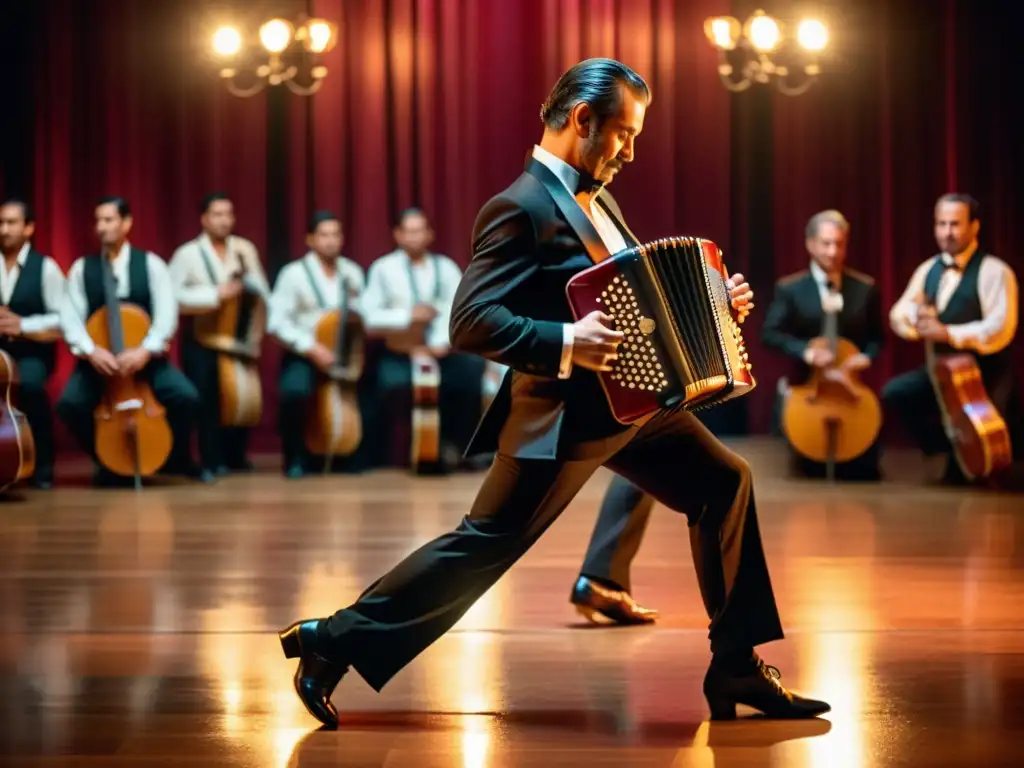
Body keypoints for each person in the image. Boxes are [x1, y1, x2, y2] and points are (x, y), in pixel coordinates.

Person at [276, 58, 830, 728]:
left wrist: (718, 304)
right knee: (481, 546)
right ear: (582, 120)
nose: (632, 150)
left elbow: (639, 299)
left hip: (630, 406)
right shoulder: (518, 207)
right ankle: (328, 641)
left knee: (726, 482)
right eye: (624, 133)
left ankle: (737, 665)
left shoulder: (600, 197)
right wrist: (567, 342)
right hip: (560, 419)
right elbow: (471, 321)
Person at [56, 196, 209, 486]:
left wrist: (146, 350)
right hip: (101, 361)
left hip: (145, 360)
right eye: (98, 221)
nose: (101, 227)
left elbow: (166, 313)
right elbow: (70, 317)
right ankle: (107, 460)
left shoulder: (151, 264)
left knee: (186, 397)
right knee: (70, 404)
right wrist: (91, 351)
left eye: (109, 220)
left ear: (127, 223)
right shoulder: (81, 268)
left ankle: (176, 458)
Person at [883, 193, 1020, 483]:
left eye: (955, 224)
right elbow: (899, 312)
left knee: (981, 467)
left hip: (983, 374)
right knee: (897, 394)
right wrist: (916, 323)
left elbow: (1000, 328)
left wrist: (947, 333)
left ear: (975, 227)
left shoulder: (995, 271)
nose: (947, 232)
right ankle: (943, 448)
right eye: (941, 224)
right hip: (942, 372)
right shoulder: (929, 268)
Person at [762, 209, 885, 480]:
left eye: (839, 244)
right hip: (806, 383)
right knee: (806, 468)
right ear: (810, 244)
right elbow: (769, 334)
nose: (833, 252)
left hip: (850, 384)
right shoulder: (790, 289)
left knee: (865, 469)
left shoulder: (865, 288)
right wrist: (805, 351)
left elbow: (878, 338)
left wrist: (865, 356)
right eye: (826, 244)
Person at [360, 208, 485, 470]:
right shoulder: (384, 269)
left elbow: (458, 311)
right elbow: (368, 317)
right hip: (400, 352)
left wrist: (439, 344)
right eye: (409, 231)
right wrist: (408, 316)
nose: (415, 237)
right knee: (389, 385)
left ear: (429, 235)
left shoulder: (446, 268)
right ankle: (392, 457)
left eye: (420, 231)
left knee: (471, 374)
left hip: (439, 352)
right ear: (398, 235)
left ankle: (458, 450)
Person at [169, 192, 270, 476]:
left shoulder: (244, 249)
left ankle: (236, 455)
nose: (225, 220)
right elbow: (173, 296)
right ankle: (211, 459)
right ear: (204, 219)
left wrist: (249, 289)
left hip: (238, 335)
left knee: (241, 397)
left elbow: (262, 288)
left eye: (229, 214)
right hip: (204, 338)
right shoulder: (187, 254)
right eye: (217, 214)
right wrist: (215, 294)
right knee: (208, 400)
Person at [267, 211, 367, 478]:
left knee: (374, 383)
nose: (331, 241)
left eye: (336, 234)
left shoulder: (352, 272)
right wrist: (310, 347)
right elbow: (276, 322)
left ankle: (352, 455)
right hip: (306, 350)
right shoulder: (293, 274)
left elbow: (362, 312)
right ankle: (296, 458)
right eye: (324, 235)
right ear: (310, 240)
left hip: (343, 351)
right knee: (294, 391)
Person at [0, 198, 66, 488]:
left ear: (29, 228)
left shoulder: (46, 268)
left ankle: (42, 466)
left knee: (29, 387)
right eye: (0, 223)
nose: (4, 229)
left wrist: (22, 325)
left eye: (11, 223)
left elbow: (62, 320)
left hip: (32, 352)